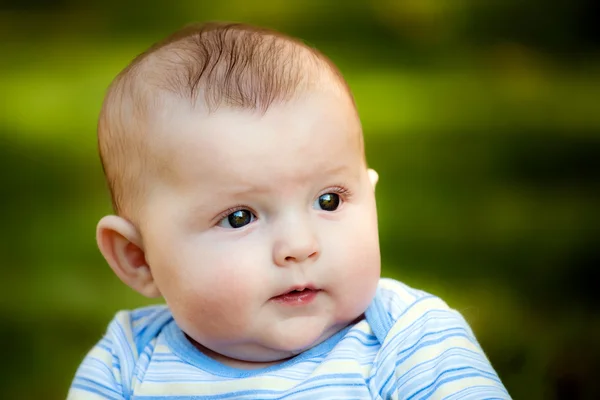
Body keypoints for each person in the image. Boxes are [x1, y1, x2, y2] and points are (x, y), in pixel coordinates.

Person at [68, 22, 510, 399]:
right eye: (239, 217)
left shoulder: (410, 339)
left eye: (328, 201)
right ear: (138, 258)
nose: (300, 246)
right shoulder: (125, 363)